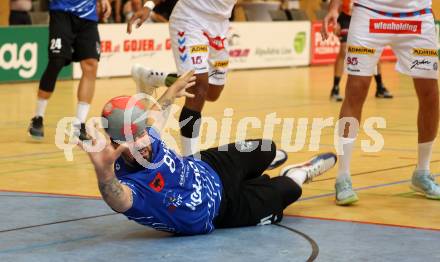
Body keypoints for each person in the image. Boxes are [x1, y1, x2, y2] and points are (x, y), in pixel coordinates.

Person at [79, 71, 337, 235]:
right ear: (115, 145)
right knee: (291, 189)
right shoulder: (130, 187)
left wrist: (172, 91)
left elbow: (157, 115)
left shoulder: (146, 135)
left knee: (267, 148)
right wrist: (104, 175)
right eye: (132, 141)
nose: (143, 143)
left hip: (209, 165)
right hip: (223, 211)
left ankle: (261, 168)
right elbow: (118, 200)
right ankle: (297, 173)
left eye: (141, 134)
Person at [322, 0, 439, 205]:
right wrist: (334, 8)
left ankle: (422, 172)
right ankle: (343, 177)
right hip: (370, 13)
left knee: (430, 94)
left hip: (417, 17)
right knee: (356, 91)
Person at [127, 0, 237, 156]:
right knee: (198, 88)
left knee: (212, 93)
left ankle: (154, 78)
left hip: (220, 25)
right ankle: (190, 158)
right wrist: (149, 5)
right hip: (190, 18)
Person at [28, 0, 111, 140]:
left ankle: (78, 125)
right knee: (56, 61)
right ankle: (38, 117)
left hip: (88, 15)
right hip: (62, 11)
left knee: (91, 64)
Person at [330, 0, 393, 102]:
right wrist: (335, 21)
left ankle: (380, 86)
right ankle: (335, 88)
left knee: (373, 50)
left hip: (365, 17)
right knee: (344, 50)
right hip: (346, 18)